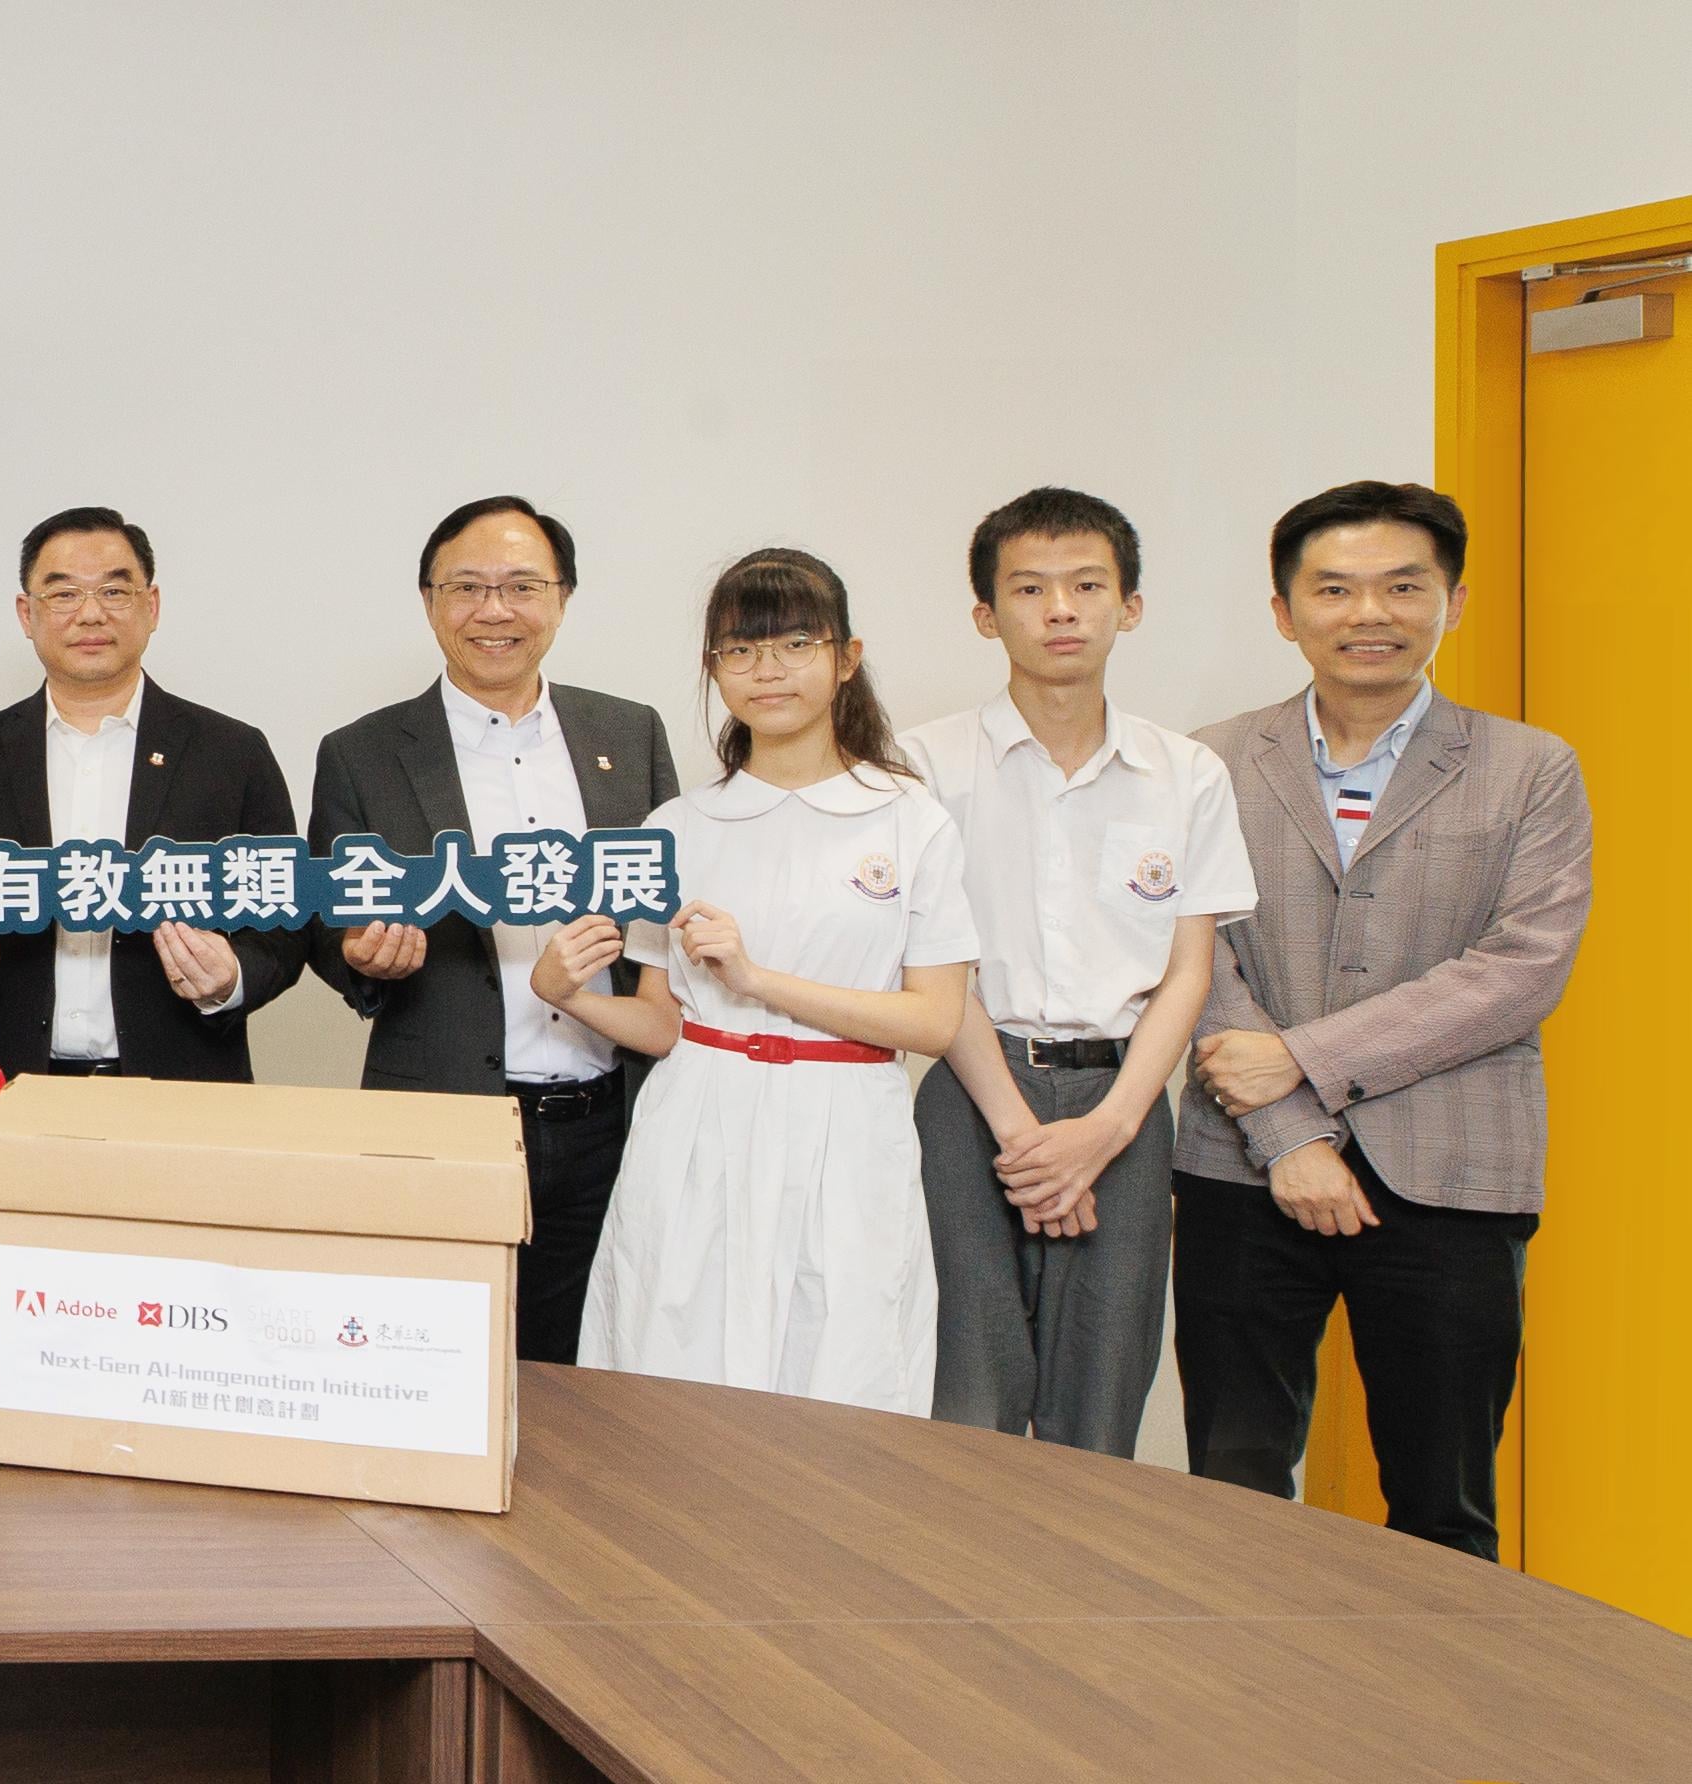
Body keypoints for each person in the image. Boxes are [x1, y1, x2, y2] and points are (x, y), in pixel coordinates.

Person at [1172, 481, 1590, 1558]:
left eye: (1403, 587)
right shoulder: (1207, 762)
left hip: (1451, 1172)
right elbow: (1188, 954)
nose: (1370, 613)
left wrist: (1301, 1060)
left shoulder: (1529, 768)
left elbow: (1520, 969)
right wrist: (1290, 1138)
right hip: (1240, 1170)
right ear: (1283, 612)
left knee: (1443, 1506)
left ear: (1452, 602)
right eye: (1334, 589)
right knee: (1229, 1490)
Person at [534, 548, 977, 1414]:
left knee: (842, 1375)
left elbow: (933, 1021)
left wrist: (758, 979)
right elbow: (665, 1024)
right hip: (698, 1117)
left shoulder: (908, 819)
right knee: (677, 1369)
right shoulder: (678, 825)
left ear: (846, 659)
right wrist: (570, 995)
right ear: (714, 668)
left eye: (796, 644)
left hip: (847, 1123)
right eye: (740, 650)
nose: (767, 670)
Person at [894, 489, 1255, 1456]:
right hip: (970, 1091)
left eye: (1088, 586)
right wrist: (1024, 1138)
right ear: (986, 615)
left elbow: (1188, 973)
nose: (1061, 609)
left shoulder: (1187, 773)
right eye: (1030, 588)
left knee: (1100, 1402)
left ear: (1129, 606)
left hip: (1122, 1103)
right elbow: (933, 970)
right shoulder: (919, 767)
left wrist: (1108, 1131)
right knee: (965, 1394)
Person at [306, 496, 680, 1367]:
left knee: (597, 1373)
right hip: (445, 1114)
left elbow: (663, 906)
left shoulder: (629, 733)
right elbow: (327, 922)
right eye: (467, 587)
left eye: (521, 586)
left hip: (610, 1116)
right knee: (432, 1360)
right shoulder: (362, 752)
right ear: (429, 601)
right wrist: (361, 954)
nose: (494, 610)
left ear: (562, 597)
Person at [0, 506, 302, 1087]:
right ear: (26, 614)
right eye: (63, 594)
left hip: (184, 1090)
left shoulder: (232, 753)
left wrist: (232, 978)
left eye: (115, 591)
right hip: (8, 1087)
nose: (91, 613)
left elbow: (286, 922)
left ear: (152, 606)